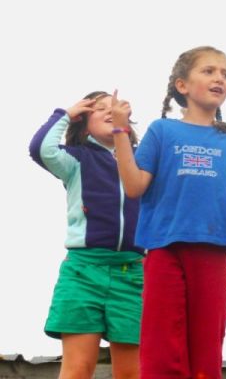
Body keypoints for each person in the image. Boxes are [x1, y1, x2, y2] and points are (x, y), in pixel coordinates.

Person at [110, 45, 226, 379]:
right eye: (208, 71)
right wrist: (121, 131)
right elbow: (135, 186)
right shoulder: (162, 130)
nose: (219, 78)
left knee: (207, 347)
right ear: (182, 85)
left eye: (225, 74)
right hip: (164, 248)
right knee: (161, 346)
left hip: (214, 248)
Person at [29, 92, 144, 379]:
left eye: (114, 108)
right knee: (78, 370)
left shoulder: (142, 161)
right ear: (83, 122)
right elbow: (41, 149)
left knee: (132, 374)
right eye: (99, 109)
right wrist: (66, 114)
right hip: (83, 271)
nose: (109, 112)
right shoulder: (76, 159)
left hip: (133, 275)